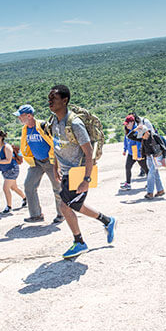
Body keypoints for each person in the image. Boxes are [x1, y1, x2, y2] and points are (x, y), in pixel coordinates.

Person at [48, 85, 116, 259]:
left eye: (54, 98)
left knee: (65, 206)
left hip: (77, 173)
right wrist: (55, 167)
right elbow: (57, 147)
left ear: (65, 101)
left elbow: (88, 153)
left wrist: (86, 179)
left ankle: (79, 242)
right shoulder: (53, 121)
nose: (50, 101)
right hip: (65, 173)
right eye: (49, 98)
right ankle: (107, 221)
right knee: (76, 205)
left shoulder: (75, 124)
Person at [14, 104, 64, 224]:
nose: (19, 119)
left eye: (21, 116)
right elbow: (26, 145)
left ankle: (61, 214)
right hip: (35, 162)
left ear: (29, 116)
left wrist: (57, 162)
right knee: (29, 186)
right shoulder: (25, 129)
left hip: (50, 162)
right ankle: (36, 215)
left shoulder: (43, 126)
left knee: (58, 188)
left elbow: (56, 143)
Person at [0, 129, 26, 214]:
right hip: (4, 170)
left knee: (5, 188)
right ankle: (25, 198)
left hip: (12, 169)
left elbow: (8, 160)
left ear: (1, 138)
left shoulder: (7, 147)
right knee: (14, 188)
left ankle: (9, 207)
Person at [126, 124, 165, 198]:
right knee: (155, 174)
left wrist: (164, 158)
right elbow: (129, 136)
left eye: (143, 135)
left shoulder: (155, 136)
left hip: (156, 157)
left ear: (147, 132)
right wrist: (136, 129)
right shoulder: (142, 138)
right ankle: (160, 190)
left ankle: (150, 192)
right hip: (148, 158)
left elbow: (163, 147)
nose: (142, 137)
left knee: (150, 175)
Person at [120, 114, 149, 190]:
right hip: (130, 152)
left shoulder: (138, 129)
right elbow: (126, 140)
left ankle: (150, 182)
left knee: (145, 168)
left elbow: (139, 143)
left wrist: (139, 155)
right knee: (127, 167)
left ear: (132, 122)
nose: (126, 126)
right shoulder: (128, 130)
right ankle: (128, 184)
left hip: (138, 152)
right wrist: (124, 149)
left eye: (127, 124)